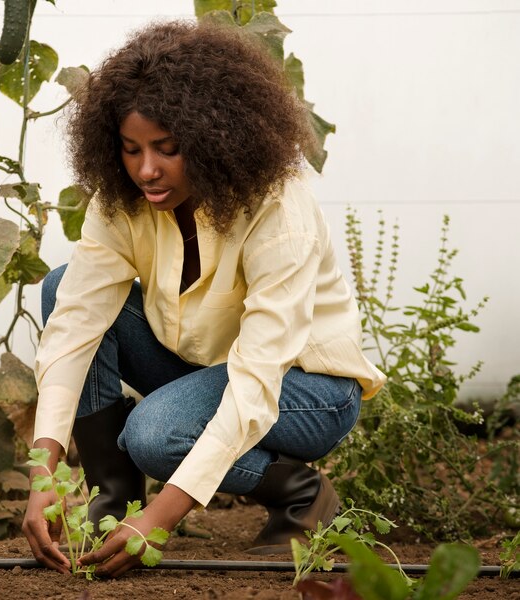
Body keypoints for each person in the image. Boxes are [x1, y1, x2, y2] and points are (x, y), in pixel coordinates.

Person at [21, 19, 386, 578]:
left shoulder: (276, 208)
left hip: (308, 388)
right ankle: (112, 502)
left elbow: (257, 375)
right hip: (203, 367)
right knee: (62, 287)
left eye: (168, 149)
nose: (147, 169)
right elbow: (73, 326)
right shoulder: (123, 201)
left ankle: (302, 493)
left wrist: (164, 517)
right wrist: (42, 473)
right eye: (131, 149)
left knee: (158, 434)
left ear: (216, 138)